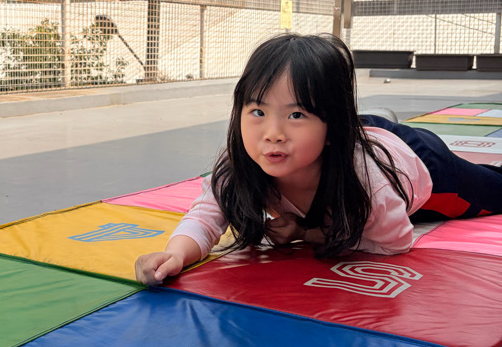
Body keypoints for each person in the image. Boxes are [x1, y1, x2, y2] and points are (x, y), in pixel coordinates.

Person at [135, 32, 502, 285]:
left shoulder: (368, 180)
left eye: (295, 115)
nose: (273, 133)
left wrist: (306, 232)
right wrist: (176, 254)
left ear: (330, 125)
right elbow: (205, 216)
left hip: (416, 159)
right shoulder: (242, 165)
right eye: (258, 112)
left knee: (494, 190)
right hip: (344, 139)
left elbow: (395, 241)